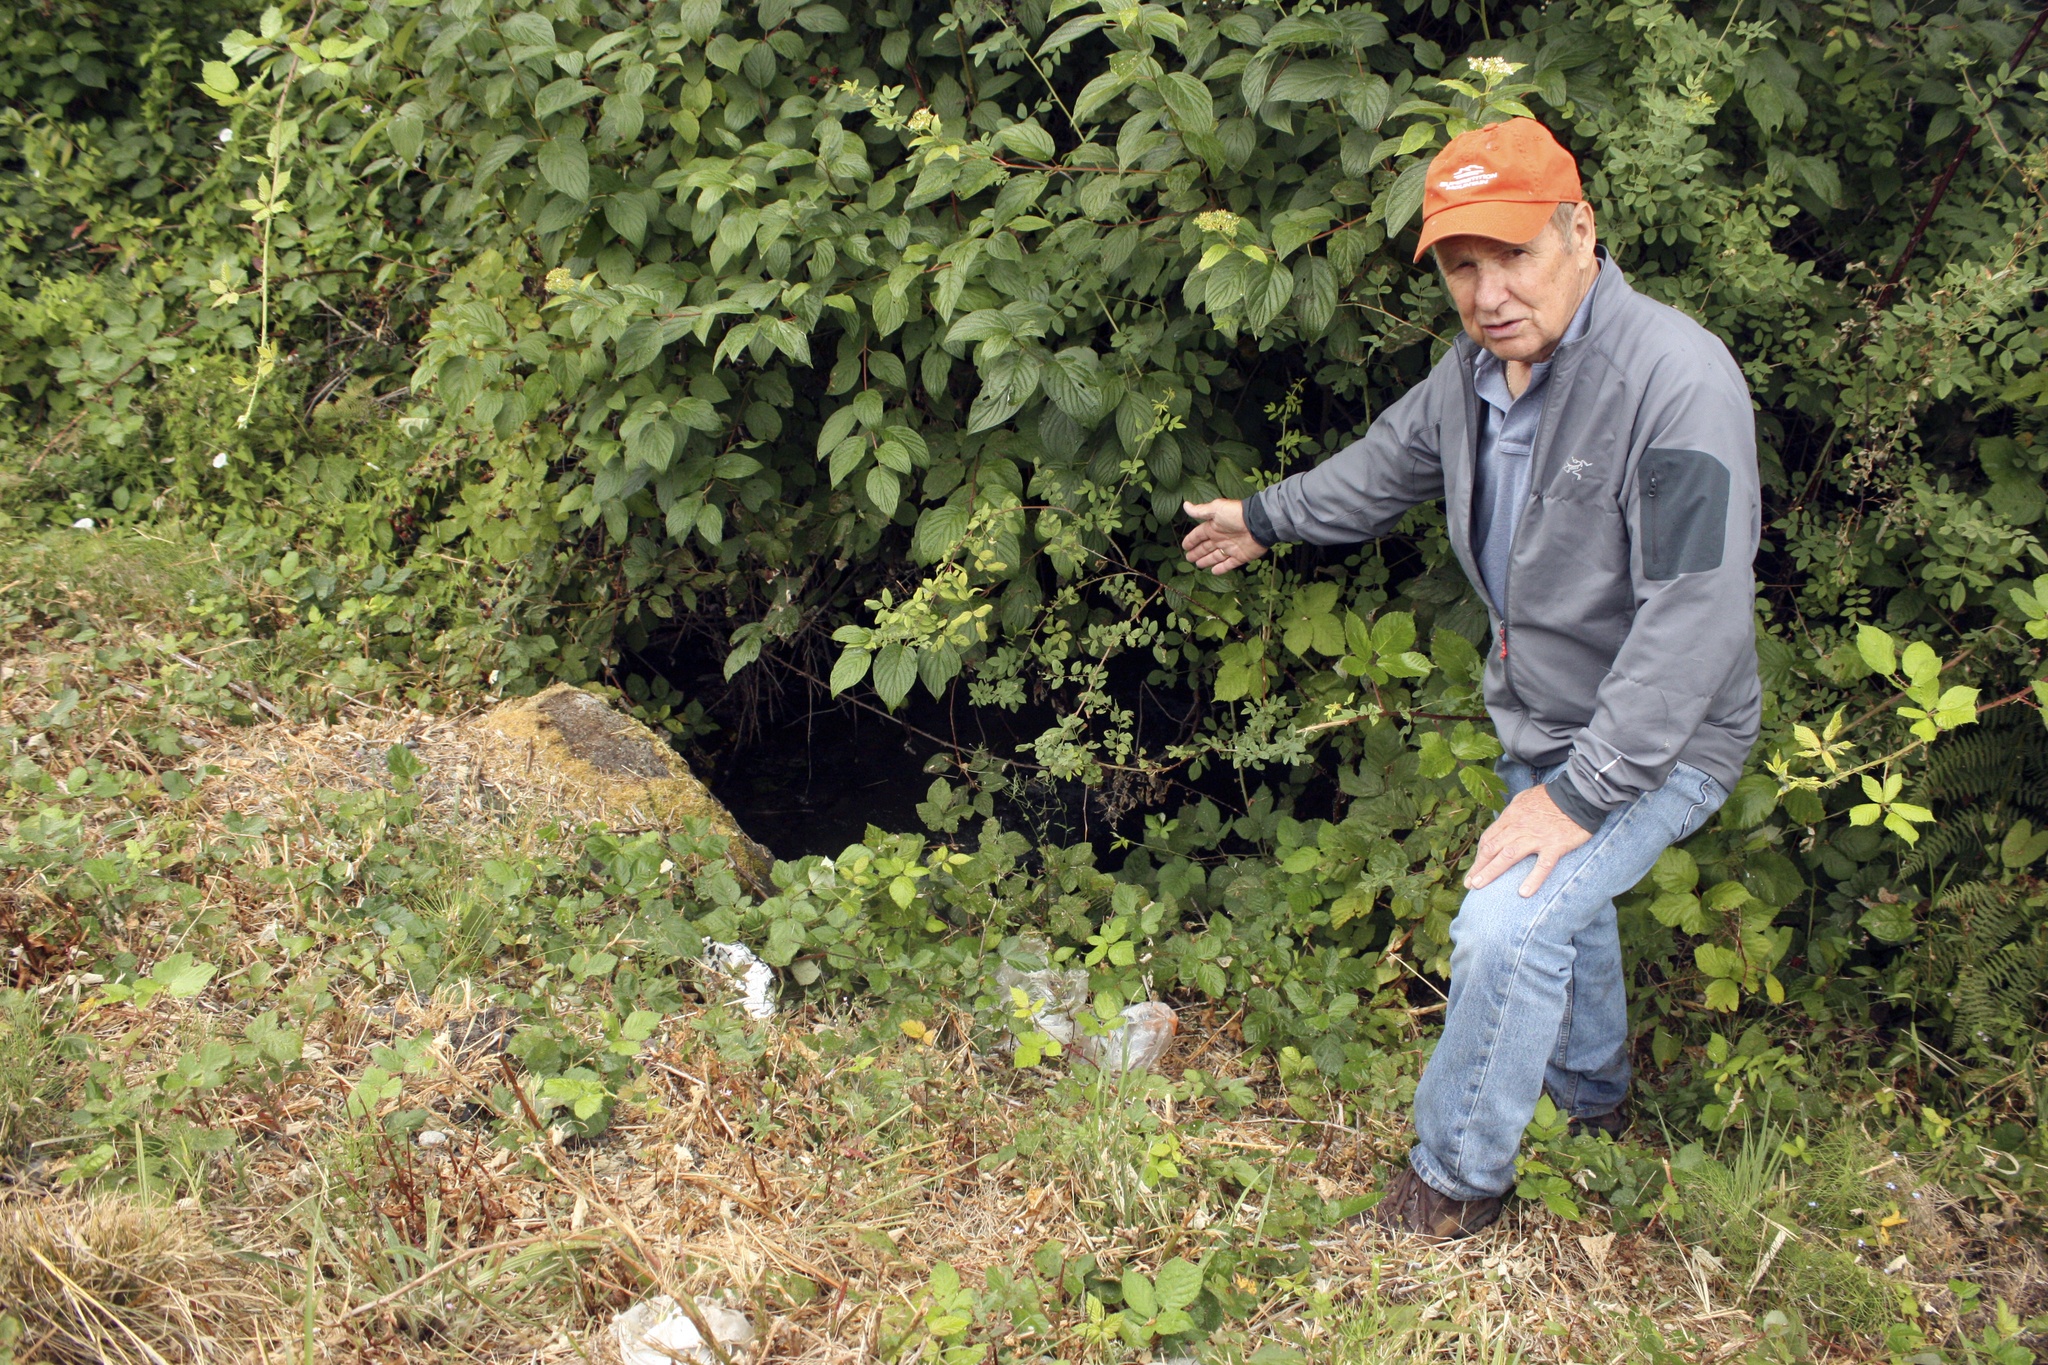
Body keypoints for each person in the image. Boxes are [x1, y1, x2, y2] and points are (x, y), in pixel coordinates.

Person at [1180, 117, 1761, 1240]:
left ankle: (1452, 1182)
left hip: (1660, 740)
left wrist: (1580, 793)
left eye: (1513, 254)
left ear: (1577, 232)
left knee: (1506, 923)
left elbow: (1692, 614)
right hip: (1543, 720)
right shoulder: (1474, 379)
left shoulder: (1674, 383)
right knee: (1565, 913)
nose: (1488, 290)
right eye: (1461, 264)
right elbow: (1378, 469)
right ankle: (1587, 1101)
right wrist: (1262, 519)